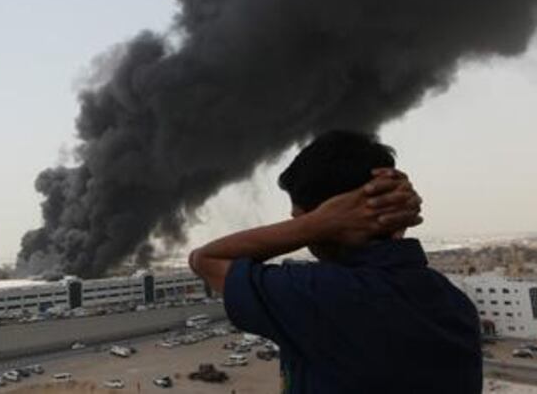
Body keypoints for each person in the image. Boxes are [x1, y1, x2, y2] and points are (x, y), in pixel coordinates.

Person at [189, 131, 482, 393]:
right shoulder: (454, 303)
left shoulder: (321, 294)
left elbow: (205, 259)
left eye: (301, 218)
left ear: (333, 217)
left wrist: (318, 223)